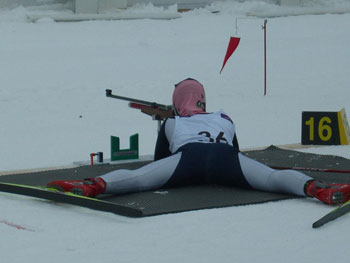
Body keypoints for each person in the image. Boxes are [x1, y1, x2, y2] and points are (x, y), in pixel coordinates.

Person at [47, 78, 350, 205]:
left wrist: (166, 123)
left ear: (177, 103)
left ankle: (93, 186)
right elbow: (233, 151)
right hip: (224, 159)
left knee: (139, 179)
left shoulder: (172, 121)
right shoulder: (225, 117)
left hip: (188, 160)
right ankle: (319, 189)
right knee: (271, 177)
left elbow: (158, 163)